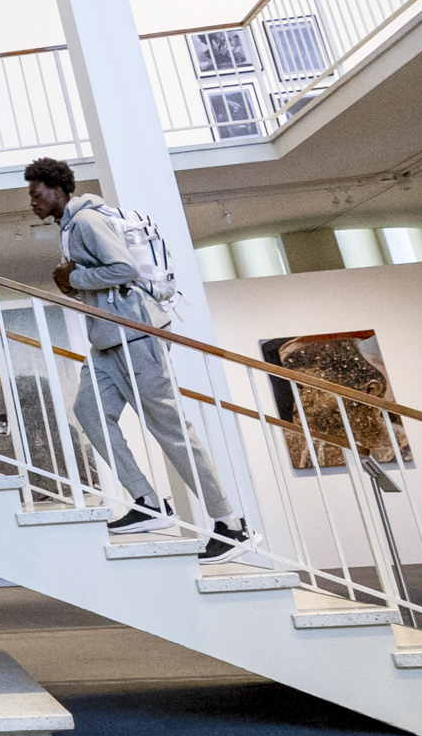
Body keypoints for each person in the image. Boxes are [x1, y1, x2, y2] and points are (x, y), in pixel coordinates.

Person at [23, 157, 254, 564]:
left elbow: (123, 268)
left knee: (170, 430)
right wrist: (75, 283)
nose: (32, 201)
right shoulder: (69, 227)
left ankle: (230, 525)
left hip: (135, 337)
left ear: (57, 190)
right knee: (89, 412)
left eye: (35, 192)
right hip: (106, 343)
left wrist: (72, 280)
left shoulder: (88, 222)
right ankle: (148, 502)